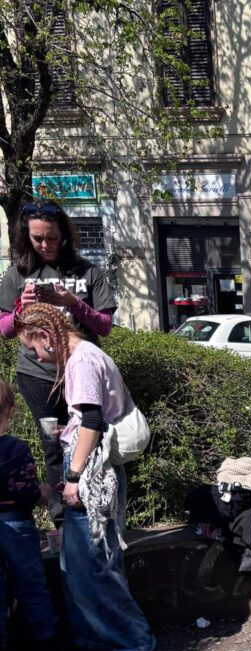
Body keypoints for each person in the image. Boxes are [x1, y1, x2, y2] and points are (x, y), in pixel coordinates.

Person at [14, 303, 155, 651]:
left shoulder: (81, 361)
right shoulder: (83, 357)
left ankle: (136, 645)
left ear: (45, 336)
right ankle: (99, 638)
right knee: (79, 562)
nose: (36, 357)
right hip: (91, 471)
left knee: (96, 564)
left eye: (33, 349)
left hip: (92, 476)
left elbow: (92, 420)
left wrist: (73, 475)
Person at [0, 200, 117, 525]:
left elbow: (104, 327)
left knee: (89, 437)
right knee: (53, 445)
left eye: (51, 237)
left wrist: (73, 303)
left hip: (80, 377)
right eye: (37, 238)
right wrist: (20, 310)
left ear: (64, 234)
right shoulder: (18, 274)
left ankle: (95, 505)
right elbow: (5, 330)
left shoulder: (88, 271)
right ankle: (63, 518)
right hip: (37, 379)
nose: (45, 245)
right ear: (27, 237)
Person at [0, 378, 57, 651]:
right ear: (10, 411)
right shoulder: (16, 448)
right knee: (32, 584)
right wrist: (44, 492)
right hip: (17, 525)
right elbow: (25, 493)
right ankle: (47, 644)